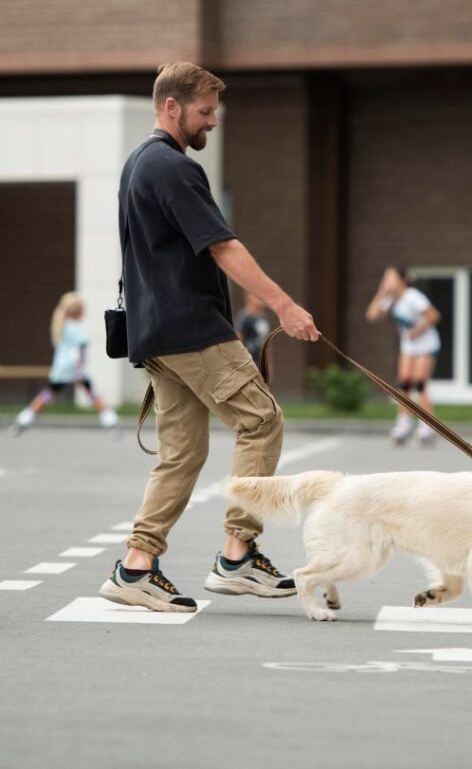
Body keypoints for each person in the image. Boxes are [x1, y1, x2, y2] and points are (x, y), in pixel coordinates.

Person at [98, 61, 319, 614]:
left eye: (213, 111)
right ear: (171, 107)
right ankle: (237, 555)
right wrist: (284, 306)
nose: (212, 122)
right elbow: (222, 247)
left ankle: (136, 567)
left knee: (182, 455)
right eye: (204, 111)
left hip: (155, 333)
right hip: (192, 329)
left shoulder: (137, 166)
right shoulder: (172, 168)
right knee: (261, 421)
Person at [11, 292, 119, 436]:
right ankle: (110, 419)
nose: (84, 311)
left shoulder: (61, 325)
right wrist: (80, 370)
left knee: (49, 393)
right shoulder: (75, 327)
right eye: (82, 308)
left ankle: (25, 418)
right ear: (75, 310)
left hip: (61, 369)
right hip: (74, 367)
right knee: (91, 392)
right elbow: (79, 350)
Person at [365, 266, 442, 445]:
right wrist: (381, 294)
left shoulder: (413, 297)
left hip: (426, 344)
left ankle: (427, 425)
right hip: (409, 346)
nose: (388, 282)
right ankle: (403, 422)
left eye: (390, 278)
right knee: (405, 383)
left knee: (420, 383)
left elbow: (433, 316)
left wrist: (416, 331)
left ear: (402, 280)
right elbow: (372, 315)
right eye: (386, 278)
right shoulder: (390, 300)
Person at [235, 292, 271, 365]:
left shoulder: (263, 317)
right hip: (249, 361)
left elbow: (267, 341)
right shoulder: (244, 317)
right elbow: (238, 340)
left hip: (261, 360)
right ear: (249, 297)